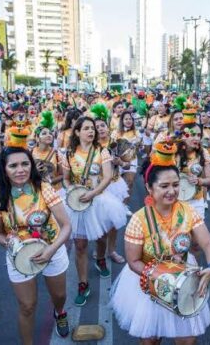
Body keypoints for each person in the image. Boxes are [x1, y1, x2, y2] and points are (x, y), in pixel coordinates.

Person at [109, 141, 210, 344]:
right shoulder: (139, 219)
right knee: (151, 339)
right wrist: (163, 278)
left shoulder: (188, 211)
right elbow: (133, 261)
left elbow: (209, 244)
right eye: (164, 186)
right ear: (149, 188)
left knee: (187, 340)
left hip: (184, 279)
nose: (172, 191)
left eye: (176, 185)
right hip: (149, 282)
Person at [0, 146, 71, 343]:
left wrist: (51, 250)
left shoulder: (44, 188)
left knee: (59, 295)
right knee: (27, 306)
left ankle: (60, 313)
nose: (20, 170)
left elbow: (66, 226)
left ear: (31, 165)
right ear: (4, 169)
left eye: (25, 164)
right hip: (19, 256)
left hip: (52, 248)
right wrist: (10, 243)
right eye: (13, 165)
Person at [62, 116, 127, 306]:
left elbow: (107, 177)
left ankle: (100, 258)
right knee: (80, 245)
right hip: (77, 202)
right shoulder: (69, 154)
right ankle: (83, 284)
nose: (91, 131)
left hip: (98, 200)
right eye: (86, 128)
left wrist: (92, 194)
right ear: (77, 132)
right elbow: (65, 178)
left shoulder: (102, 151)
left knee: (100, 237)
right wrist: (71, 190)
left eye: (93, 128)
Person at [91, 103, 128, 263]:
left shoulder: (117, 142)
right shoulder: (91, 147)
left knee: (113, 222)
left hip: (116, 184)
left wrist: (119, 161)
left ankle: (112, 250)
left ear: (108, 126)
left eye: (102, 125)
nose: (100, 129)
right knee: (99, 220)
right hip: (99, 187)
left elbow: (127, 163)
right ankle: (100, 249)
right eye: (96, 127)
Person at [176, 109, 210, 220]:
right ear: (184, 135)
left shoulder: (203, 152)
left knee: (197, 235)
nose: (197, 138)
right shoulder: (174, 151)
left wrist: (199, 181)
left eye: (199, 135)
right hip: (176, 200)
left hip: (197, 201)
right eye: (193, 134)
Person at [111, 111, 142, 202]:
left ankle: (125, 205)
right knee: (116, 184)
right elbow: (111, 146)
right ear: (122, 121)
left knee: (129, 182)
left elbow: (140, 147)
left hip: (131, 161)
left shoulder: (137, 132)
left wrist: (139, 145)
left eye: (130, 119)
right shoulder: (115, 132)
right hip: (118, 161)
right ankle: (117, 203)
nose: (128, 121)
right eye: (126, 119)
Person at [32, 111, 64, 195]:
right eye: (44, 133)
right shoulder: (30, 153)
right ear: (37, 138)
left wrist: (50, 181)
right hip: (36, 191)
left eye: (50, 133)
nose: (49, 135)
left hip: (55, 192)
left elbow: (62, 175)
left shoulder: (57, 153)